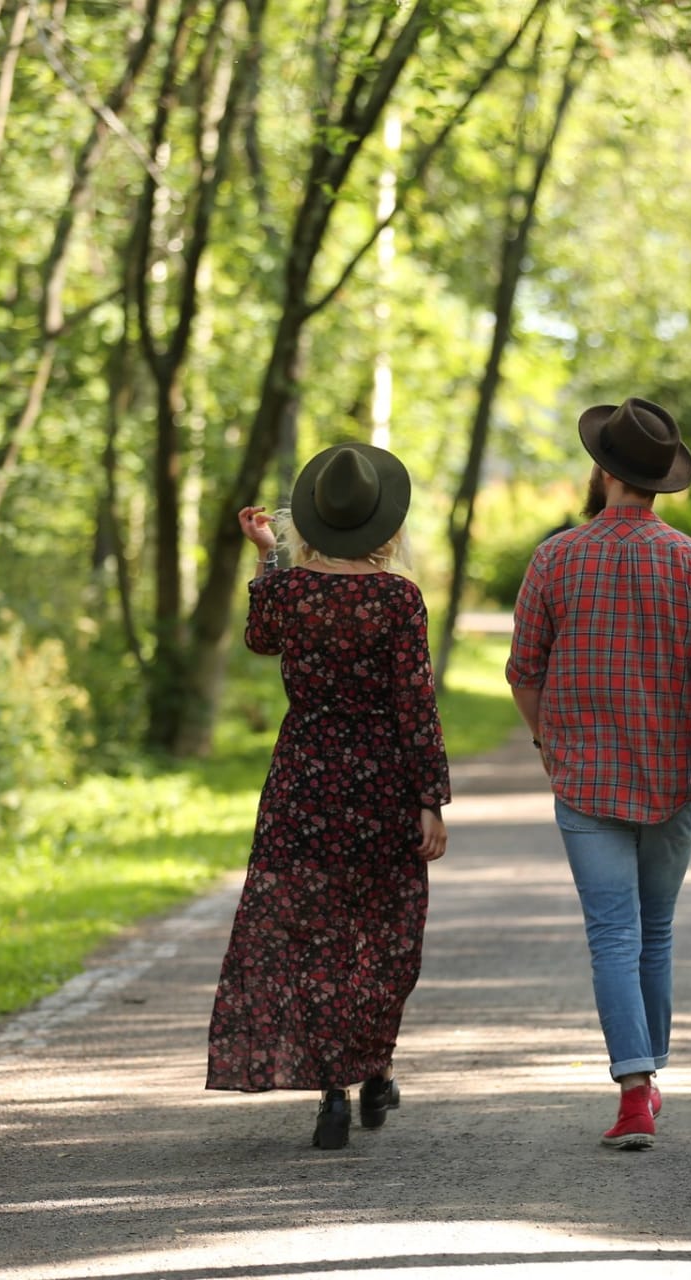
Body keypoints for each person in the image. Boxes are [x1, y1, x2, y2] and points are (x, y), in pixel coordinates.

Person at [505, 397, 691, 1152]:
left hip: (584, 781)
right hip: (670, 782)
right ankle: (648, 1082)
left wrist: (549, 742)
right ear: (660, 482)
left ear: (603, 471)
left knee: (612, 937)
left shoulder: (554, 557)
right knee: (655, 933)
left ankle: (634, 1091)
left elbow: (524, 673)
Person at [206, 442, 450, 1151]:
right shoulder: (398, 598)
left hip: (303, 781)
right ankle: (372, 1066)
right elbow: (416, 704)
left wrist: (266, 555)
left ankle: (336, 1095)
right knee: (382, 936)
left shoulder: (289, 592)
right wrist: (429, 796)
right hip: (380, 784)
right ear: (383, 524)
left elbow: (258, 638)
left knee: (312, 934)